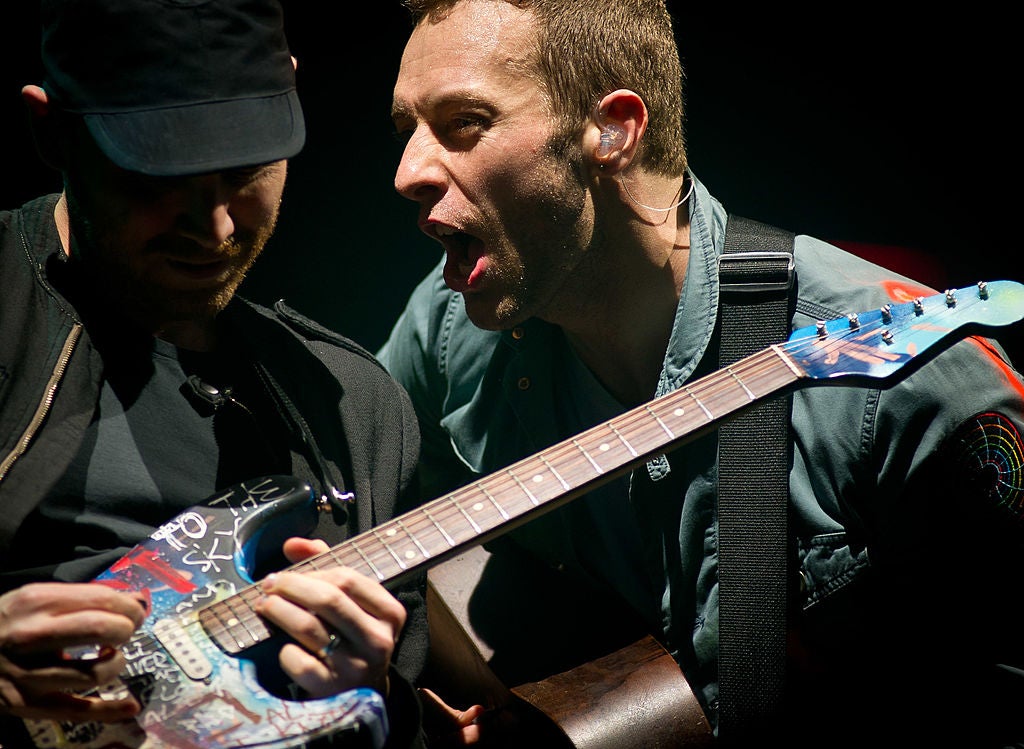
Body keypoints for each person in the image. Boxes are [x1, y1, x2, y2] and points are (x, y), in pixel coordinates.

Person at [379, 0, 1024, 746]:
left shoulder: (913, 389)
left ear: (612, 129)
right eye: (406, 132)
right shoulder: (447, 329)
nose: (407, 173)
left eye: (464, 123)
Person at [0, 1, 428, 747]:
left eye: (246, 169)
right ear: (53, 132)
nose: (217, 227)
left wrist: (374, 692)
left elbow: (416, 716)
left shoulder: (354, 407)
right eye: (157, 177)